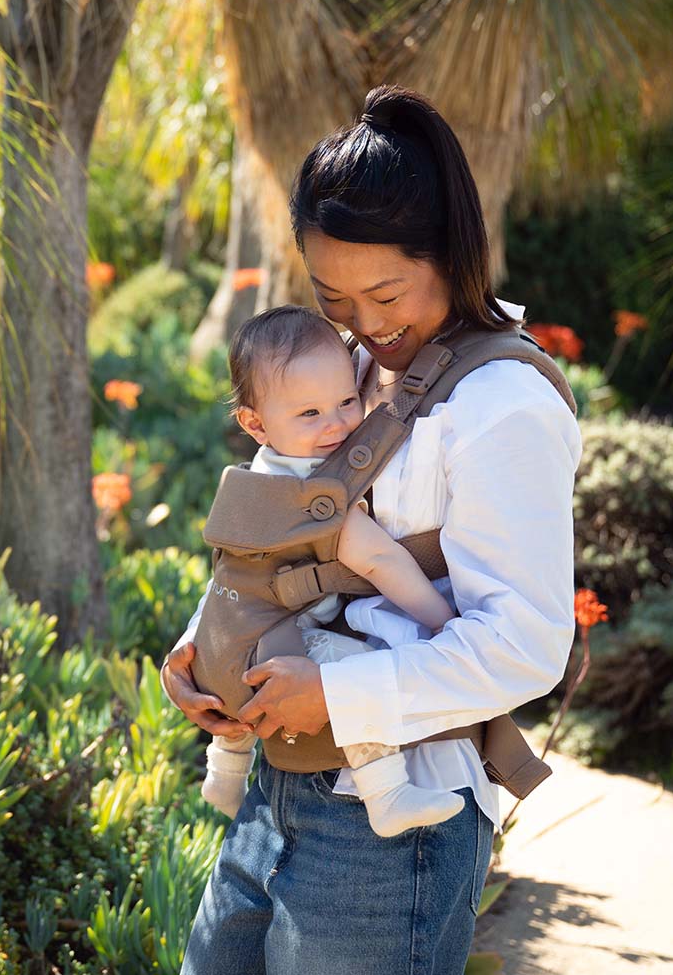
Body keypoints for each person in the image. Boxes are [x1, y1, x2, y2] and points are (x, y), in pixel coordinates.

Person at [161, 84, 582, 975]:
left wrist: (335, 698)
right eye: (335, 297)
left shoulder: (501, 405)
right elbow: (281, 539)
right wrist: (205, 648)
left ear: (452, 252)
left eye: (386, 291)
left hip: (396, 821)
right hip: (277, 788)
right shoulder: (348, 369)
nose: (365, 324)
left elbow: (528, 645)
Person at [199, 303, 468, 837]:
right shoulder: (314, 494)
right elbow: (382, 560)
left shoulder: (256, 477)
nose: (338, 425)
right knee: (351, 675)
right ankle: (387, 792)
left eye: (347, 401)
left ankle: (223, 773)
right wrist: (445, 622)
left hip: (217, 646)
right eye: (310, 414)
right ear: (254, 423)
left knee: (255, 673)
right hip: (269, 660)